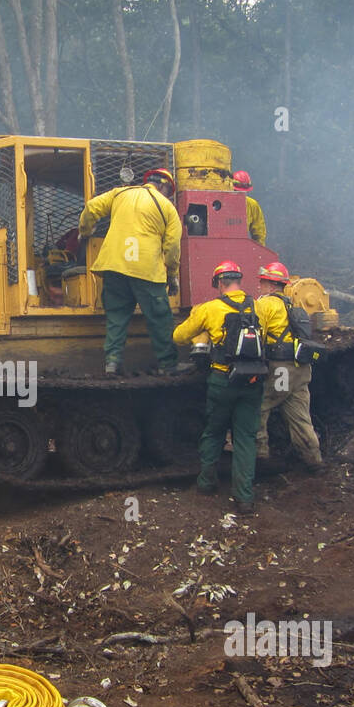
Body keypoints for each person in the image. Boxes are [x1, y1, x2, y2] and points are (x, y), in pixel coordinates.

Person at [173, 261, 275, 513]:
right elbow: (271, 337)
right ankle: (244, 497)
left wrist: (196, 318)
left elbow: (178, 336)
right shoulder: (259, 308)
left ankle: (207, 483)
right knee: (245, 438)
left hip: (222, 380)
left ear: (219, 283)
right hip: (253, 381)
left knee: (214, 432)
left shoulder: (210, 309)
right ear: (239, 281)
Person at [79, 168, 183, 375]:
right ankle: (168, 365)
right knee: (160, 318)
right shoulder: (167, 208)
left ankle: (112, 363)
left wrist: (85, 231)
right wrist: (172, 275)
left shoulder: (119, 193)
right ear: (165, 187)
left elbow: (91, 208)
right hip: (146, 271)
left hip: (114, 266)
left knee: (117, 317)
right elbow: (172, 248)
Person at [254, 262, 323, 471]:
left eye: (263, 282)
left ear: (269, 284)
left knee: (258, 408)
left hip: (281, 369)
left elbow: (258, 335)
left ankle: (260, 457)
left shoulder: (265, 305)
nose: (260, 286)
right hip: (301, 369)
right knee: (300, 418)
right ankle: (313, 460)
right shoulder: (293, 306)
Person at [233, 170, 267, 245]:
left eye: (242, 192)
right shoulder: (220, 203)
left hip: (241, 246)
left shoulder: (252, 205)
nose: (240, 194)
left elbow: (259, 232)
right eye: (237, 191)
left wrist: (259, 251)